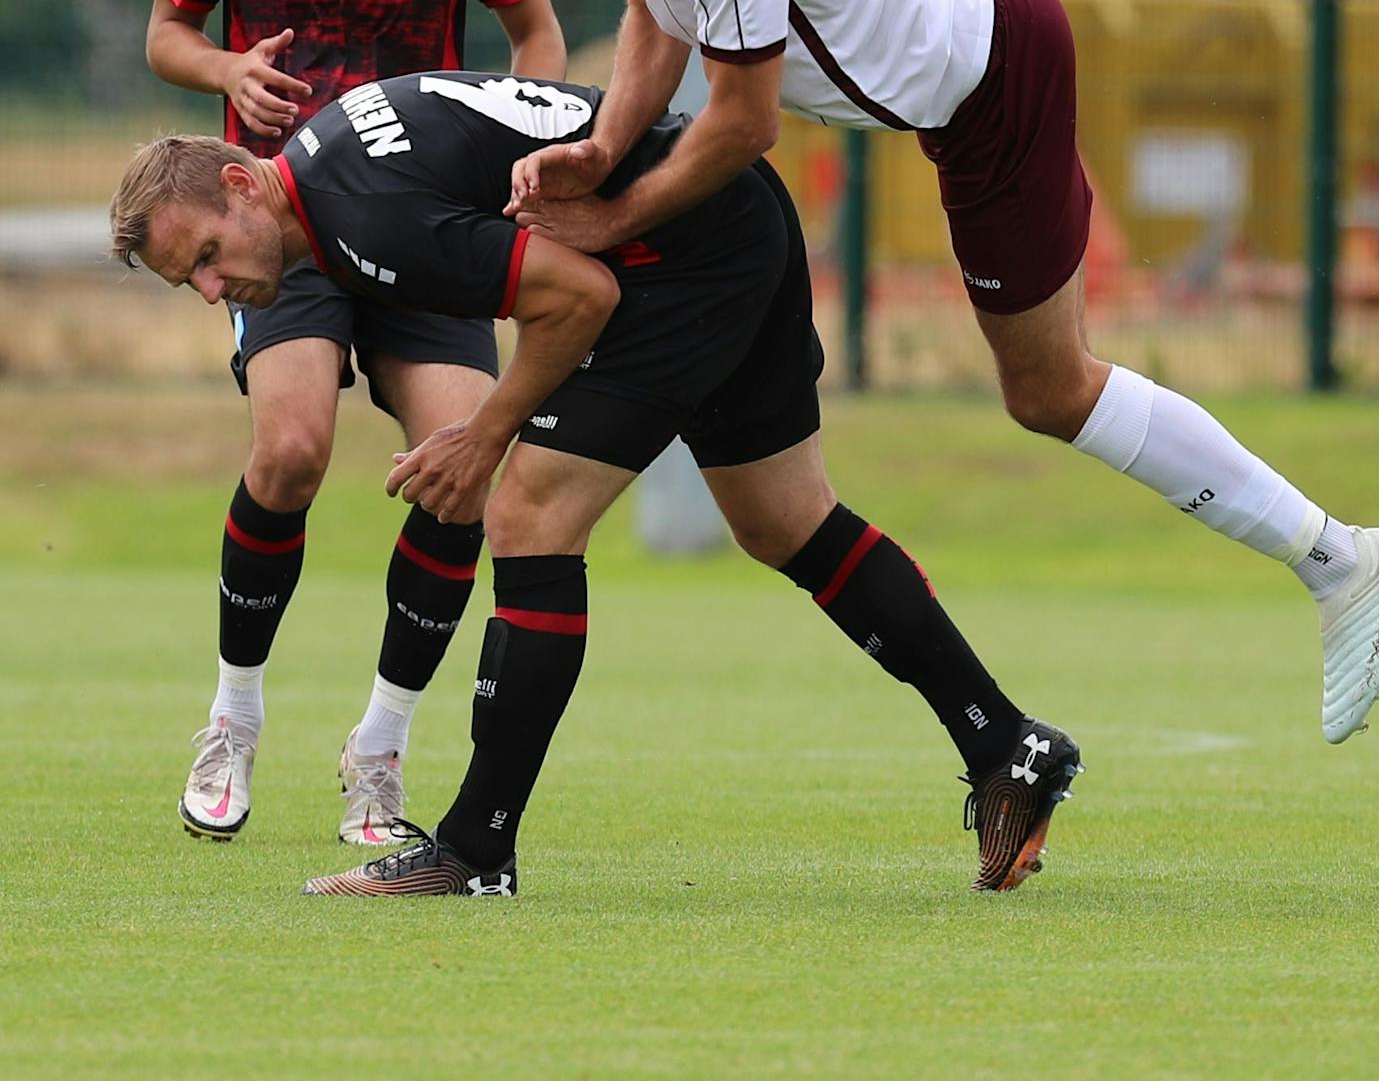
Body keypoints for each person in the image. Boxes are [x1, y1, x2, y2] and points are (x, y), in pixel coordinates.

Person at [473, 0, 1379, 749]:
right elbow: (650, 8)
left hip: (988, 76)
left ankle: (1336, 556)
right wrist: (598, 144)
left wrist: (610, 212)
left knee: (1050, 389)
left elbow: (742, 125)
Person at [108, 73, 1081, 897]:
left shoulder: (359, 210)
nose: (208, 287)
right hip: (735, 216)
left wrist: (486, 434)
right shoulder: (333, 164)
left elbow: (579, 295)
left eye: (203, 253)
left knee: (527, 506)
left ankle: (474, 847)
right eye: (182, 281)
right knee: (784, 518)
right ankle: (1006, 746)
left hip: (682, 255)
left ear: (241, 183)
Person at [146, 0, 566, 847]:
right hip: (279, 218)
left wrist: (527, 154)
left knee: (459, 471)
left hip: (424, 219)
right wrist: (225, 68)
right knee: (289, 450)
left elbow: (534, 36)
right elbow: (165, 35)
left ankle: (379, 748)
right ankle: (232, 717)